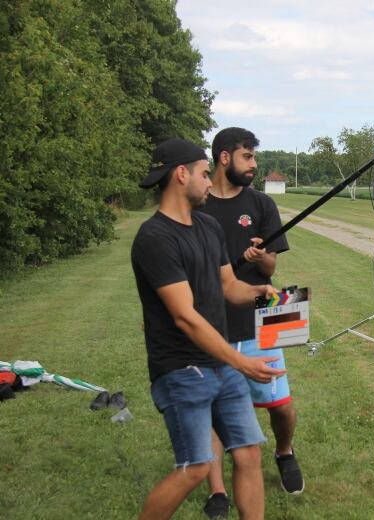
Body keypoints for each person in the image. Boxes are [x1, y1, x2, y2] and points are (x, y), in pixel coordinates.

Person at [131, 138, 285, 520]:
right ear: (181, 175)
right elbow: (185, 316)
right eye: (203, 173)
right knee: (196, 467)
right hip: (182, 369)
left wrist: (259, 291)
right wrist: (241, 361)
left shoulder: (208, 226)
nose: (208, 182)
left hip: (220, 365)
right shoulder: (155, 238)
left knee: (248, 452)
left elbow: (228, 287)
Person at [199, 127, 303, 517]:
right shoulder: (198, 203)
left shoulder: (261, 204)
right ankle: (218, 490)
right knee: (209, 408)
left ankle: (284, 451)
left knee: (279, 404)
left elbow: (273, 263)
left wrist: (261, 259)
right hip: (211, 319)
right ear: (224, 157)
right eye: (248, 157)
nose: (254, 165)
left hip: (261, 318)